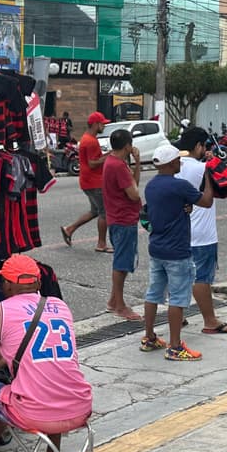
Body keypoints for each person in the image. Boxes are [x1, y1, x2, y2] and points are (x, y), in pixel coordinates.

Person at [0, 254, 93, 452]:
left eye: (3, 282)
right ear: (38, 283)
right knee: (51, 378)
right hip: (80, 407)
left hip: (33, 413)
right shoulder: (60, 306)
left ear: (7, 285)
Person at [142, 145, 213, 361]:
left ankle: (149, 337)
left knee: (153, 293)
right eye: (177, 160)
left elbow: (166, 207)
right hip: (177, 251)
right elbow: (207, 201)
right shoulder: (180, 186)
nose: (180, 163)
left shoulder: (151, 186)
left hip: (156, 248)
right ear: (171, 163)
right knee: (179, 298)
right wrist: (209, 176)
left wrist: (185, 206)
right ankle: (174, 346)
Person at [174, 126, 227, 334]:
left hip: (181, 231)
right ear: (199, 146)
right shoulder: (203, 168)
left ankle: (177, 317)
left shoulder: (173, 165)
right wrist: (212, 161)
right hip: (202, 233)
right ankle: (210, 321)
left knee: (179, 276)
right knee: (201, 278)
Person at [101, 129, 142, 321]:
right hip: (123, 219)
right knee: (122, 263)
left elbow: (133, 184)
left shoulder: (112, 162)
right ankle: (120, 305)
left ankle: (113, 300)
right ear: (127, 145)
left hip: (117, 217)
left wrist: (137, 163)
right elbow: (134, 193)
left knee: (122, 261)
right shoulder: (118, 165)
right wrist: (137, 162)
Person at [61, 111, 113, 252]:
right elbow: (92, 163)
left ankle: (69, 229)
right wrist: (110, 156)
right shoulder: (90, 141)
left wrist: (107, 155)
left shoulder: (87, 138)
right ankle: (101, 244)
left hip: (88, 181)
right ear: (96, 124)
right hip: (94, 182)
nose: (104, 126)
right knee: (104, 212)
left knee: (94, 211)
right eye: (103, 123)